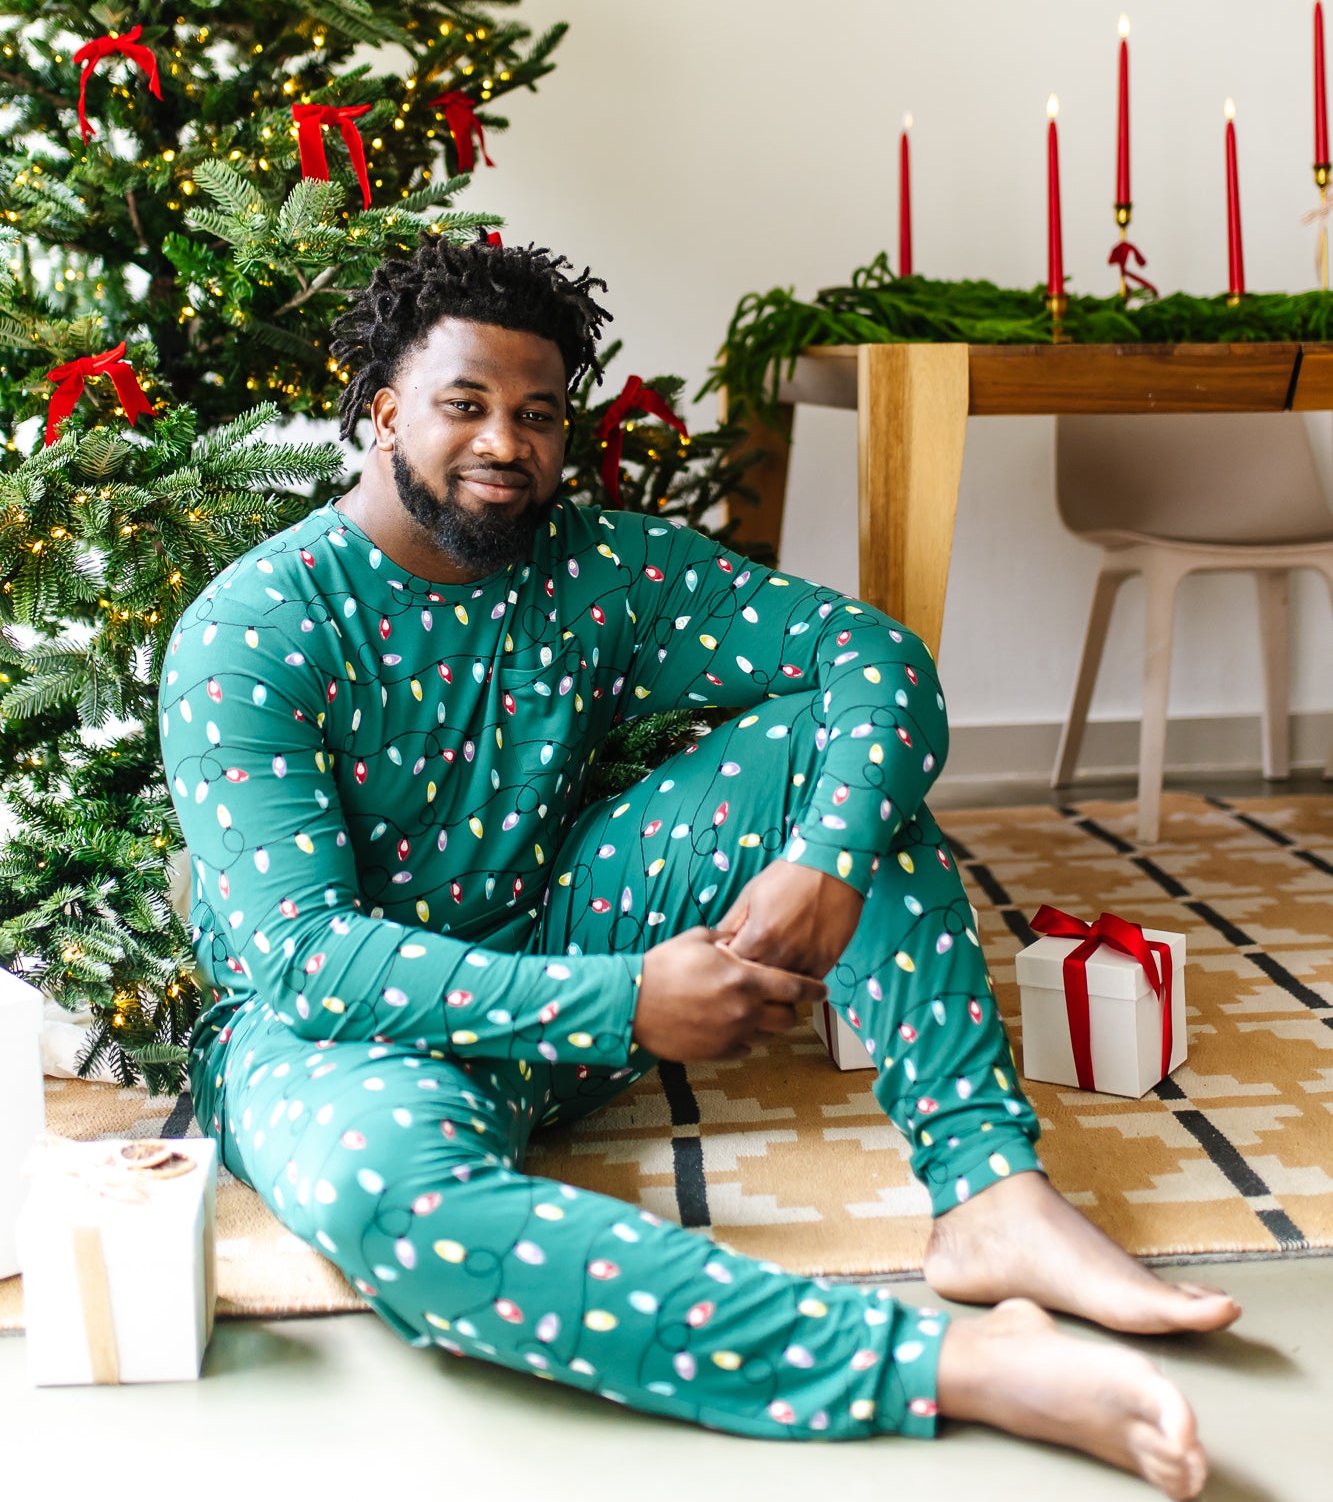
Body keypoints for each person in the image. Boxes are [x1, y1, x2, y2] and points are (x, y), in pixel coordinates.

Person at [159, 232, 1237, 1496]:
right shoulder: (254, 627)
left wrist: (829, 856)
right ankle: (941, 1362)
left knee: (839, 753)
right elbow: (304, 958)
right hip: (338, 1037)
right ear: (382, 409)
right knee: (393, 1210)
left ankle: (989, 1192)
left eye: (538, 412)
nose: (506, 442)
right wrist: (624, 1004)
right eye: (464, 404)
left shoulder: (598, 563)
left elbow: (871, 658)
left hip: (554, 930)